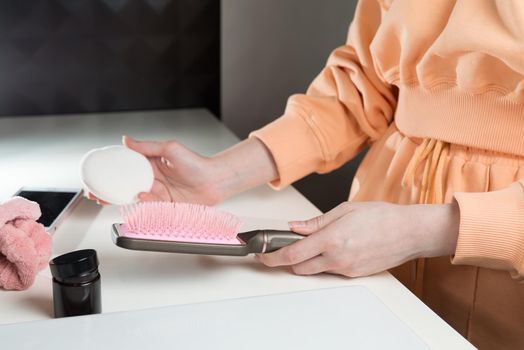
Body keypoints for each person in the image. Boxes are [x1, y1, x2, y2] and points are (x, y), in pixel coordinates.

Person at [89, 1, 524, 348]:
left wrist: (425, 231)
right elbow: (361, 88)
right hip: (374, 230)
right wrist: (218, 174)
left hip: (501, 256)